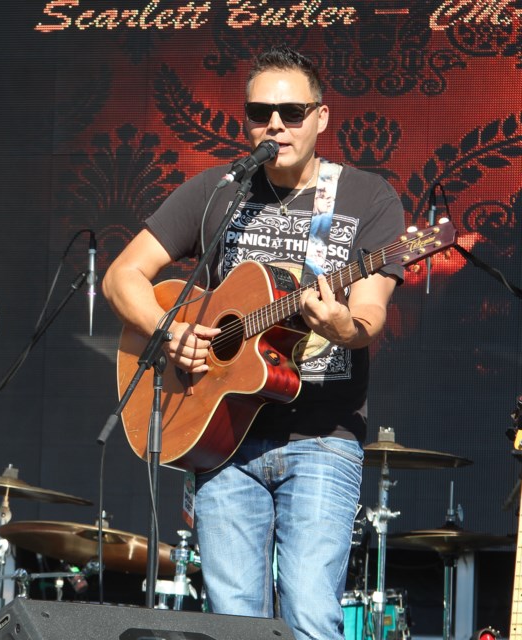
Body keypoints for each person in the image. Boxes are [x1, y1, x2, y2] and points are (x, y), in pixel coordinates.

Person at [102, 46, 405, 640]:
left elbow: (366, 317)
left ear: (321, 116)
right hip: (221, 437)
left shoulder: (368, 199)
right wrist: (170, 334)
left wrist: (336, 323)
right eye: (260, 111)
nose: (275, 124)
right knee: (233, 624)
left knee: (311, 615)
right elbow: (121, 277)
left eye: (292, 112)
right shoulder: (216, 192)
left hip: (321, 436)